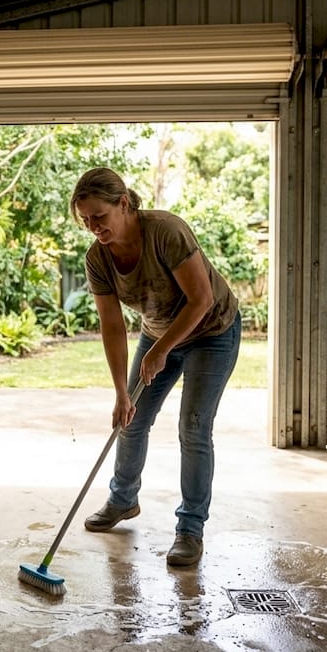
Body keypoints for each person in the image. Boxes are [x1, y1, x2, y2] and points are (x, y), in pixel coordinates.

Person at [70, 167, 241, 567]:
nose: (93, 227)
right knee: (130, 419)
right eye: (85, 220)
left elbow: (200, 300)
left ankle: (190, 529)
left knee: (193, 428)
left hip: (212, 331)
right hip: (159, 333)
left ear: (124, 204)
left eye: (100, 216)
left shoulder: (166, 231)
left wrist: (161, 350)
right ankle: (123, 500)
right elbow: (112, 326)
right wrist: (120, 392)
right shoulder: (98, 258)